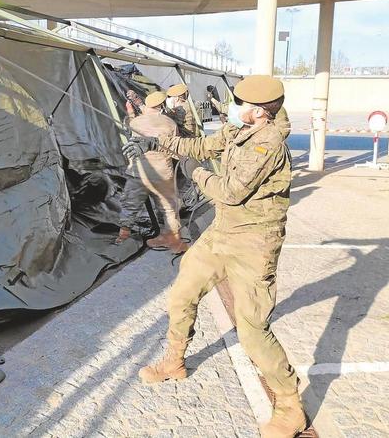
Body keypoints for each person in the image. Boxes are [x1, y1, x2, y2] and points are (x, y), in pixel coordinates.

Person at [122, 75, 306, 438]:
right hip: (222, 233)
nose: (233, 108)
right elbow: (205, 145)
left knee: (252, 329)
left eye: (239, 104)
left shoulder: (267, 144)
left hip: (254, 243)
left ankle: (290, 406)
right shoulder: (241, 131)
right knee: (181, 294)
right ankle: (175, 361)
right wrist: (154, 141)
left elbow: (230, 191)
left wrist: (193, 172)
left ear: (257, 112)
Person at [117, 90, 187, 254]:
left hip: (138, 172)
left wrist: (130, 112)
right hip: (162, 173)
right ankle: (174, 241)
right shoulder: (170, 123)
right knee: (168, 208)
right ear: (162, 106)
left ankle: (122, 237)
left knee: (130, 205)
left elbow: (130, 129)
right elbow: (176, 150)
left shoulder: (136, 122)